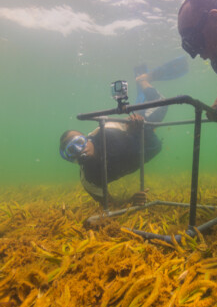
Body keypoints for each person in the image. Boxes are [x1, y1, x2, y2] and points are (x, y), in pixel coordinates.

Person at [59, 58, 188, 207]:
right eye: (71, 150)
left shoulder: (107, 131)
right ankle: (140, 96)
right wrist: (129, 201)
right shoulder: (88, 180)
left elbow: (130, 121)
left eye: (79, 143)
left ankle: (143, 80)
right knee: (142, 109)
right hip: (145, 153)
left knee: (160, 103)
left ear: (87, 139)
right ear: (70, 158)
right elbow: (110, 203)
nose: (79, 150)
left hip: (142, 136)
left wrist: (135, 125)